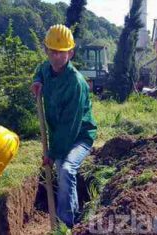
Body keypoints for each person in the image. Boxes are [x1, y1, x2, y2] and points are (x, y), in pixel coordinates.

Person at [31, 24, 97, 228]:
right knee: (61, 169)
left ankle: (64, 224)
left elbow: (71, 127)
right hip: (60, 133)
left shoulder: (76, 83)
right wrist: (37, 80)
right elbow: (40, 70)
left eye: (61, 52)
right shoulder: (47, 69)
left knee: (66, 168)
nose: (56, 57)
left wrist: (52, 152)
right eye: (52, 51)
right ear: (46, 50)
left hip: (80, 135)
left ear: (71, 52)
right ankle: (73, 213)